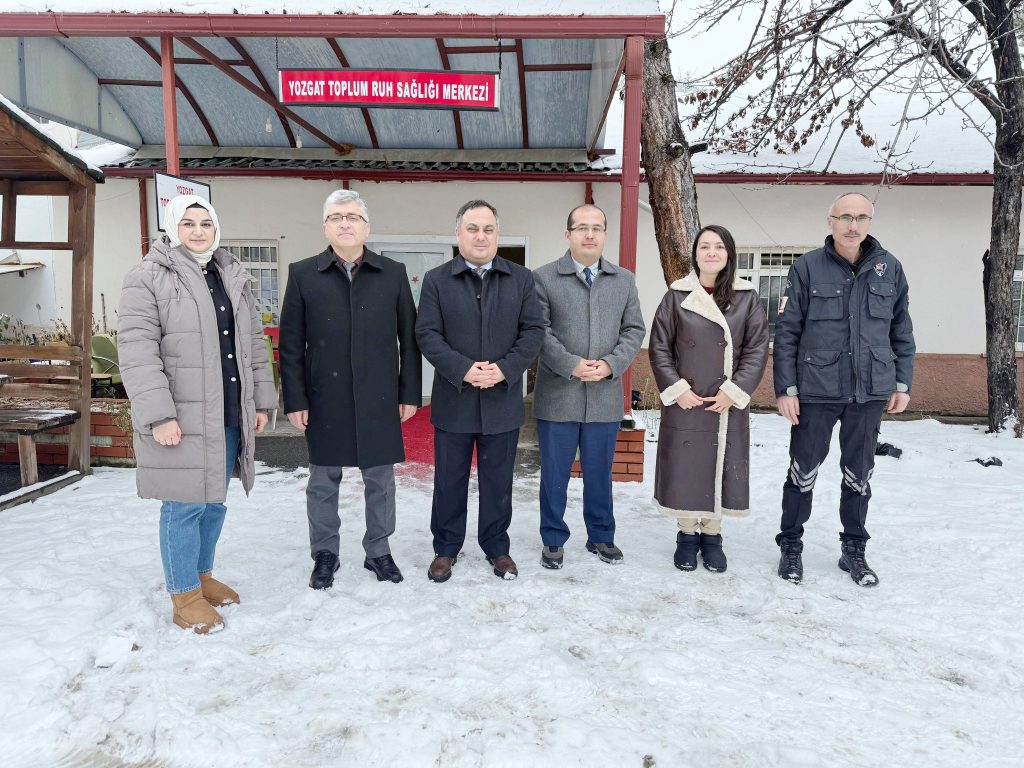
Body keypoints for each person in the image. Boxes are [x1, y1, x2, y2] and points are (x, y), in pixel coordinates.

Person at [118, 195, 277, 634]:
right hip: (180, 416)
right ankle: (183, 594)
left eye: (206, 222)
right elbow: (137, 353)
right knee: (184, 505)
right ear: (172, 228)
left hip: (225, 412)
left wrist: (260, 402)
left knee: (213, 503)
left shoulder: (229, 275)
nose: (198, 230)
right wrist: (159, 416)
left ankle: (203, 576)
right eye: (188, 223)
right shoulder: (148, 277)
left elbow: (253, 347)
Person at [279, 189, 421, 590]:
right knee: (323, 482)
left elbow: (408, 339)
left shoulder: (392, 273)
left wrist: (409, 392)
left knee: (381, 482)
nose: (345, 223)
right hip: (325, 397)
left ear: (366, 227)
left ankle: (379, 551)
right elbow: (290, 345)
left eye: (353, 217)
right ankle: (325, 552)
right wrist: (296, 399)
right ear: (325, 226)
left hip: (379, 396)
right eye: (337, 217)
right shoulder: (304, 272)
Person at [773, 192, 915, 586]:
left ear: (871, 222)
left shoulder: (891, 268)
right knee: (803, 472)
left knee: (860, 475)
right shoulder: (806, 268)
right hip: (817, 391)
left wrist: (902, 380)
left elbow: (901, 329)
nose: (854, 225)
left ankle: (854, 549)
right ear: (830, 220)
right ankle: (791, 545)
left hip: (870, 392)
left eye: (862, 218)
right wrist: (786, 388)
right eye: (846, 217)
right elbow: (787, 333)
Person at [415, 200, 544, 582]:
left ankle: (497, 548)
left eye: (488, 229)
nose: (481, 236)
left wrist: (503, 370)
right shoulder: (437, 280)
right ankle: (446, 548)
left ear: (497, 235)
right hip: (454, 401)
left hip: (501, 401)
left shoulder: (520, 279)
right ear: (458, 234)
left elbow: (533, 332)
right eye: (472, 228)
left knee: (498, 482)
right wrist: (464, 369)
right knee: (449, 481)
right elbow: (427, 334)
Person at [649, 225, 769, 573]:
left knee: (722, 464)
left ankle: (713, 535)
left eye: (719, 246)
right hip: (688, 399)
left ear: (729, 253)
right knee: (686, 468)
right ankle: (687, 534)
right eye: (705, 246)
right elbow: (660, 348)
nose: (712, 252)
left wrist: (734, 391)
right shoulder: (676, 296)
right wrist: (677, 390)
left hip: (724, 402)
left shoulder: (747, 296)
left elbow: (757, 349)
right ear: (695, 253)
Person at [531, 204, 645, 569]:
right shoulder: (544, 277)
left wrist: (611, 365)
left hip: (604, 397)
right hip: (558, 395)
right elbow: (539, 332)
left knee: (599, 474)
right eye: (582, 228)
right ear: (568, 235)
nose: (590, 234)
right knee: (554, 474)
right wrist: (572, 365)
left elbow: (634, 330)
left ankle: (601, 536)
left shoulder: (624, 280)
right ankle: (553, 538)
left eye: (597, 227)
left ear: (605, 234)